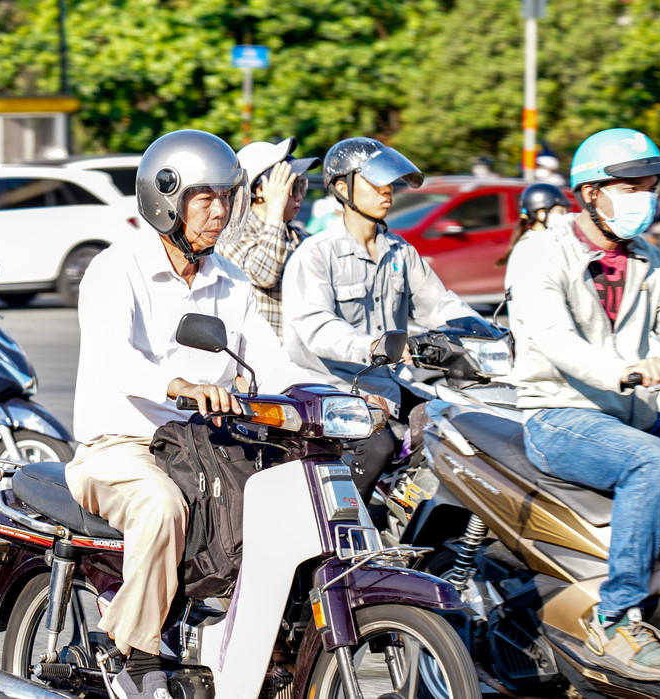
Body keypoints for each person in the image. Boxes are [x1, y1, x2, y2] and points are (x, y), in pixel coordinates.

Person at [68, 129, 310, 699]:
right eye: (204, 199)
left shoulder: (230, 279)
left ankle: (262, 645)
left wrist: (332, 397)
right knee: (161, 505)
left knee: (287, 504)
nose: (219, 212)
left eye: (225, 197)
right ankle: (135, 652)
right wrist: (178, 384)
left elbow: (272, 362)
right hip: (121, 448)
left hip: (206, 448)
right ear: (165, 200)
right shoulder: (115, 268)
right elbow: (113, 357)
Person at [504, 128, 660, 682]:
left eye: (649, 188)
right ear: (591, 192)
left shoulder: (648, 259)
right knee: (649, 459)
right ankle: (617, 616)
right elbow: (555, 338)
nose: (644, 199)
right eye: (630, 188)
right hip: (559, 415)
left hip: (635, 414)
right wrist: (625, 370)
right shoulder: (540, 253)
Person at [282, 137, 483, 501]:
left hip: (385, 385)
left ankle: (409, 516)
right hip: (327, 389)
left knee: (456, 424)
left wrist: (483, 331)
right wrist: (373, 346)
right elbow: (317, 327)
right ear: (342, 188)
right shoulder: (316, 254)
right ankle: (344, 524)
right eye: (375, 182)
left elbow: (440, 304)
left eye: (389, 182)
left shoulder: (400, 252)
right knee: (378, 447)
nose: (387, 190)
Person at [216, 137, 316, 337]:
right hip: (257, 352)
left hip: (300, 352)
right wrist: (276, 207)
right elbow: (264, 274)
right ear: (260, 190)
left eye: (302, 185)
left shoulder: (302, 237)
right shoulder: (230, 234)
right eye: (293, 186)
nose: (299, 196)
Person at [495, 182, 572, 267]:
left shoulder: (549, 240)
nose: (565, 215)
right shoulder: (535, 246)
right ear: (541, 214)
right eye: (560, 211)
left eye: (566, 211)